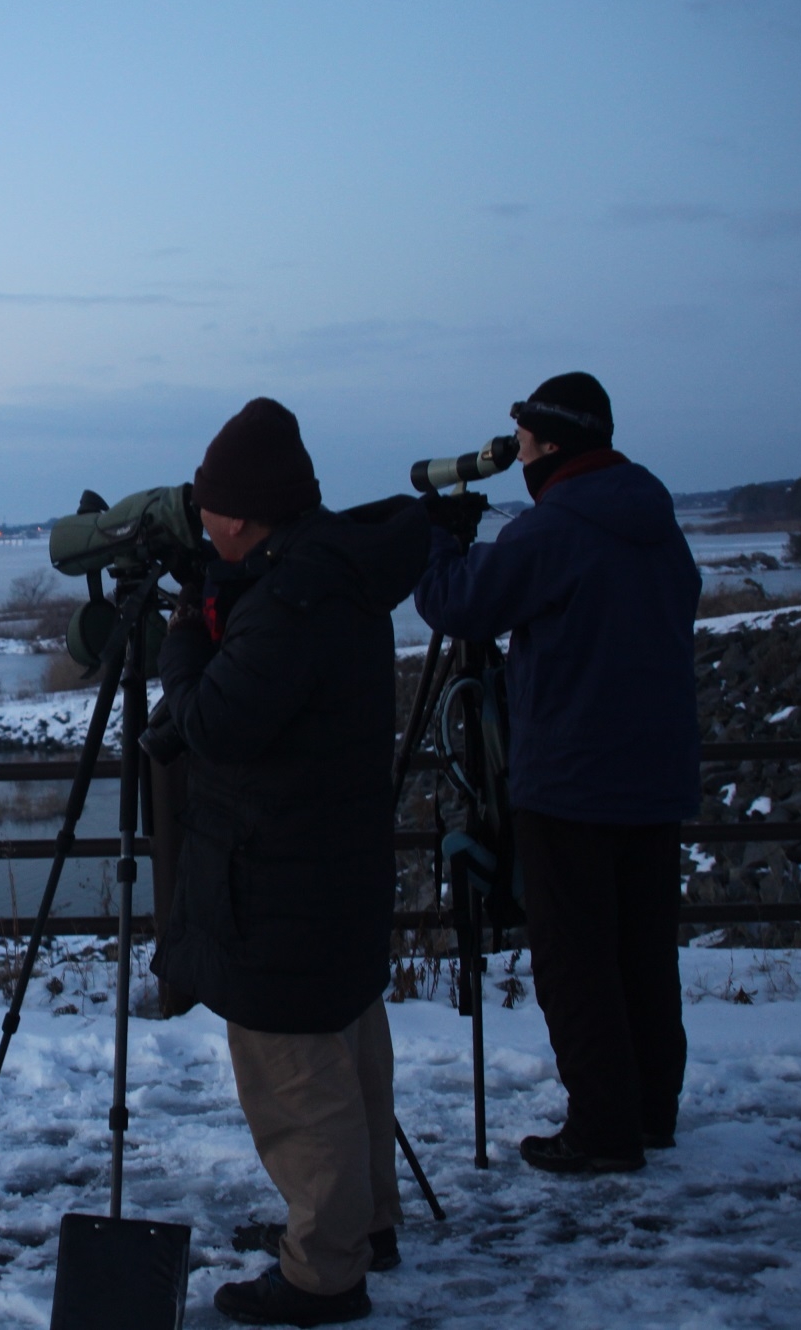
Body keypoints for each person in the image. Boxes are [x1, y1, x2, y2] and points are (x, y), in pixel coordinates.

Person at [149, 397, 431, 1327]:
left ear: (246, 513)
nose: (205, 523)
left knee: (297, 1084)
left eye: (212, 509)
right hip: (326, 867)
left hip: (280, 881)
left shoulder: (293, 597)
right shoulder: (328, 571)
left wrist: (185, 632)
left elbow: (217, 723)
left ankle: (322, 1273)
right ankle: (363, 1227)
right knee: (349, 1058)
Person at [412, 371, 700, 1175]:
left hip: (572, 780)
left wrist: (439, 539)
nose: (520, 459)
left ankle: (602, 1129)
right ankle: (650, 1109)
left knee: (574, 962)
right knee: (643, 951)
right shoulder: (654, 519)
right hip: (655, 772)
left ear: (551, 445)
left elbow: (459, 606)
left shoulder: (557, 528)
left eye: (527, 444)